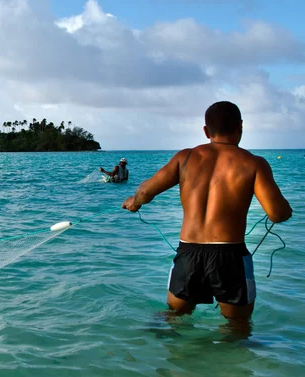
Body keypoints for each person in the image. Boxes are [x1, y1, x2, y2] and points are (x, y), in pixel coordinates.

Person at [121, 101, 292, 322]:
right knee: (237, 328)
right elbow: (276, 214)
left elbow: (145, 191)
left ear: (205, 130)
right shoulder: (254, 163)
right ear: (240, 126)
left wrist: (134, 202)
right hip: (230, 256)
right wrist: (287, 210)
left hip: (188, 254)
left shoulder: (186, 157)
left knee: (174, 318)